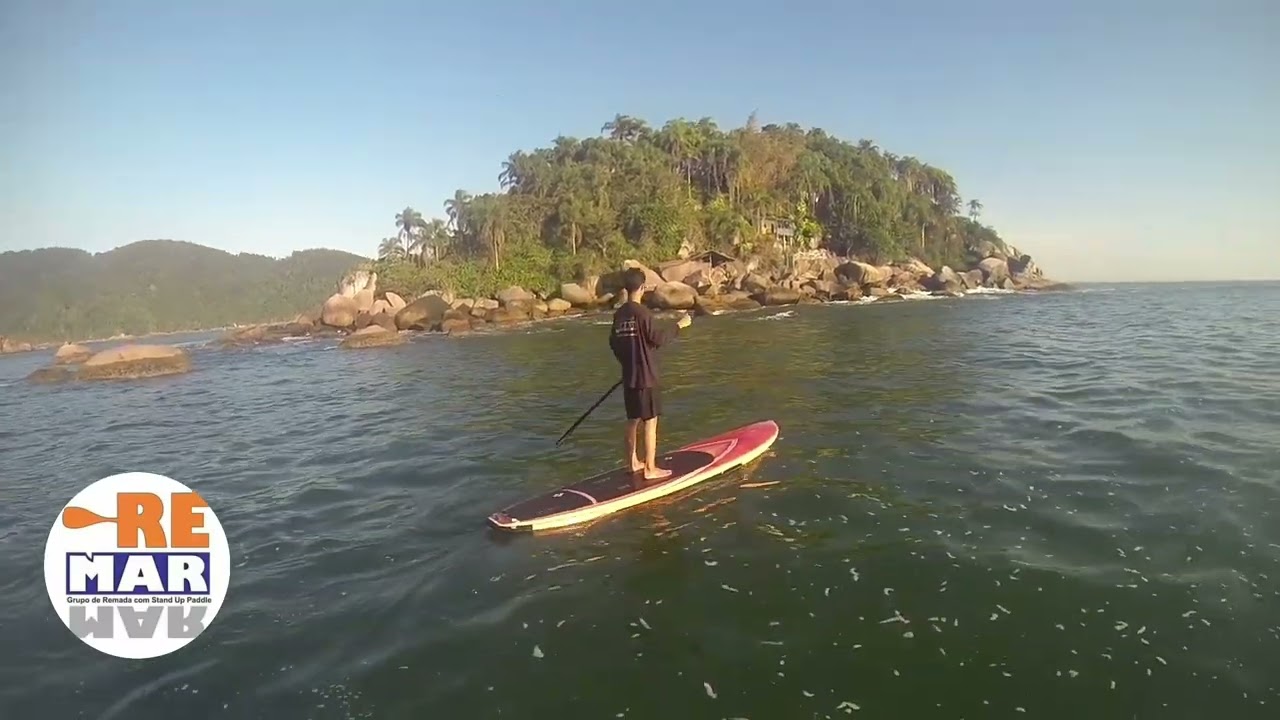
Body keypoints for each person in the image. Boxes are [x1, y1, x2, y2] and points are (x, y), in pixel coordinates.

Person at [608, 267, 692, 480]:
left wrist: (628, 363)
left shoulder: (619, 314)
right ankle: (650, 469)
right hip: (646, 377)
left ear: (626, 289)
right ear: (643, 288)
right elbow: (658, 339)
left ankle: (633, 462)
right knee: (650, 421)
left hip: (629, 377)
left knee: (632, 420)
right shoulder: (642, 313)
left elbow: (615, 344)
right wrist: (679, 326)